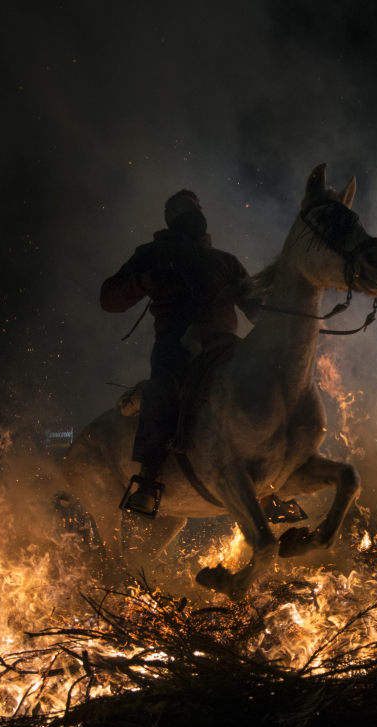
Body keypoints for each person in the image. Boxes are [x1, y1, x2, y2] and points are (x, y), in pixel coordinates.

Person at [101, 190, 254, 515]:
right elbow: (109, 298)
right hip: (176, 346)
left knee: (260, 384)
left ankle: (273, 470)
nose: (193, 212)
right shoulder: (153, 254)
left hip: (226, 349)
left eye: (195, 207)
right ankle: (148, 477)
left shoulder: (225, 261)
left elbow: (257, 308)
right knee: (162, 389)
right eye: (186, 208)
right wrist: (145, 280)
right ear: (172, 216)